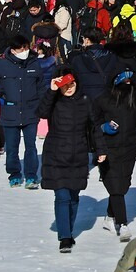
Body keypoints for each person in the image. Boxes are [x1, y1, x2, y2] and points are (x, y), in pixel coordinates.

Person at [39, 71, 99, 253]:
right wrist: (50, 90)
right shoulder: (53, 100)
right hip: (56, 154)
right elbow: (41, 112)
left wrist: (101, 150)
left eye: (71, 84)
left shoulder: (85, 100)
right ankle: (65, 236)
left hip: (78, 154)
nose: (68, 88)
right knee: (62, 196)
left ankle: (68, 230)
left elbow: (94, 127)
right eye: (64, 85)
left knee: (73, 196)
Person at [93, 70, 136, 241]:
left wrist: (132, 70)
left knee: (123, 185)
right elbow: (92, 123)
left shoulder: (134, 97)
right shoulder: (103, 99)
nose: (129, 84)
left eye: (130, 81)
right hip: (109, 149)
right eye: (125, 82)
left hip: (129, 148)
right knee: (115, 187)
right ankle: (122, 224)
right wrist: (103, 128)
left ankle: (110, 217)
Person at [0, 35, 43, 188]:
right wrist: (0, 93)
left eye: (25, 47)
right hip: (10, 110)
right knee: (11, 146)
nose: (23, 51)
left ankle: (31, 175)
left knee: (31, 146)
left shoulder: (34, 63)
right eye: (20, 48)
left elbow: (41, 84)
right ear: (12, 49)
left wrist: (40, 102)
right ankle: (14, 174)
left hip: (30, 111)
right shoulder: (2, 64)